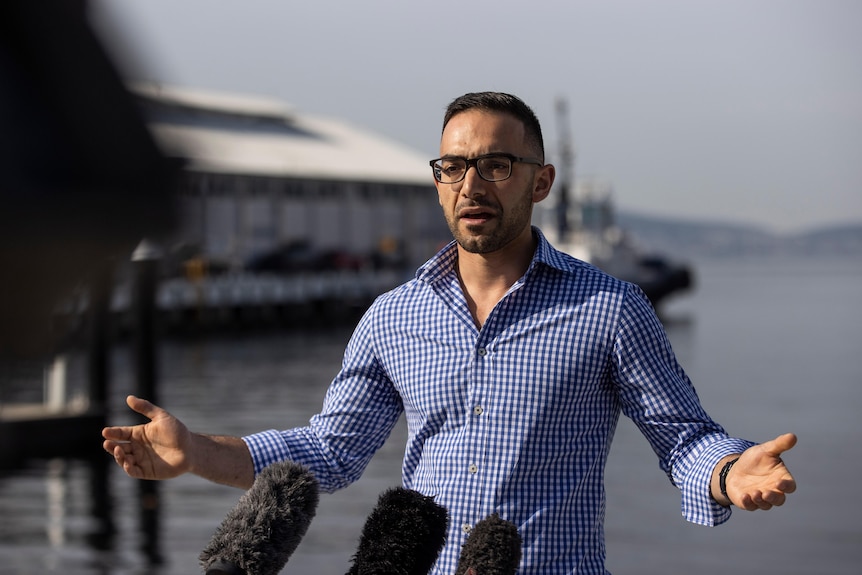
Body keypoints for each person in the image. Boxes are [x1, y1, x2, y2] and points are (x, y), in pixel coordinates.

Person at [103, 92, 797, 574]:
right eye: (454, 167)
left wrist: (730, 471)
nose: (473, 184)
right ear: (438, 182)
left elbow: (683, 436)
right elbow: (329, 449)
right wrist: (195, 451)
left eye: (497, 165)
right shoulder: (393, 316)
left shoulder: (609, 308)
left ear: (542, 181)